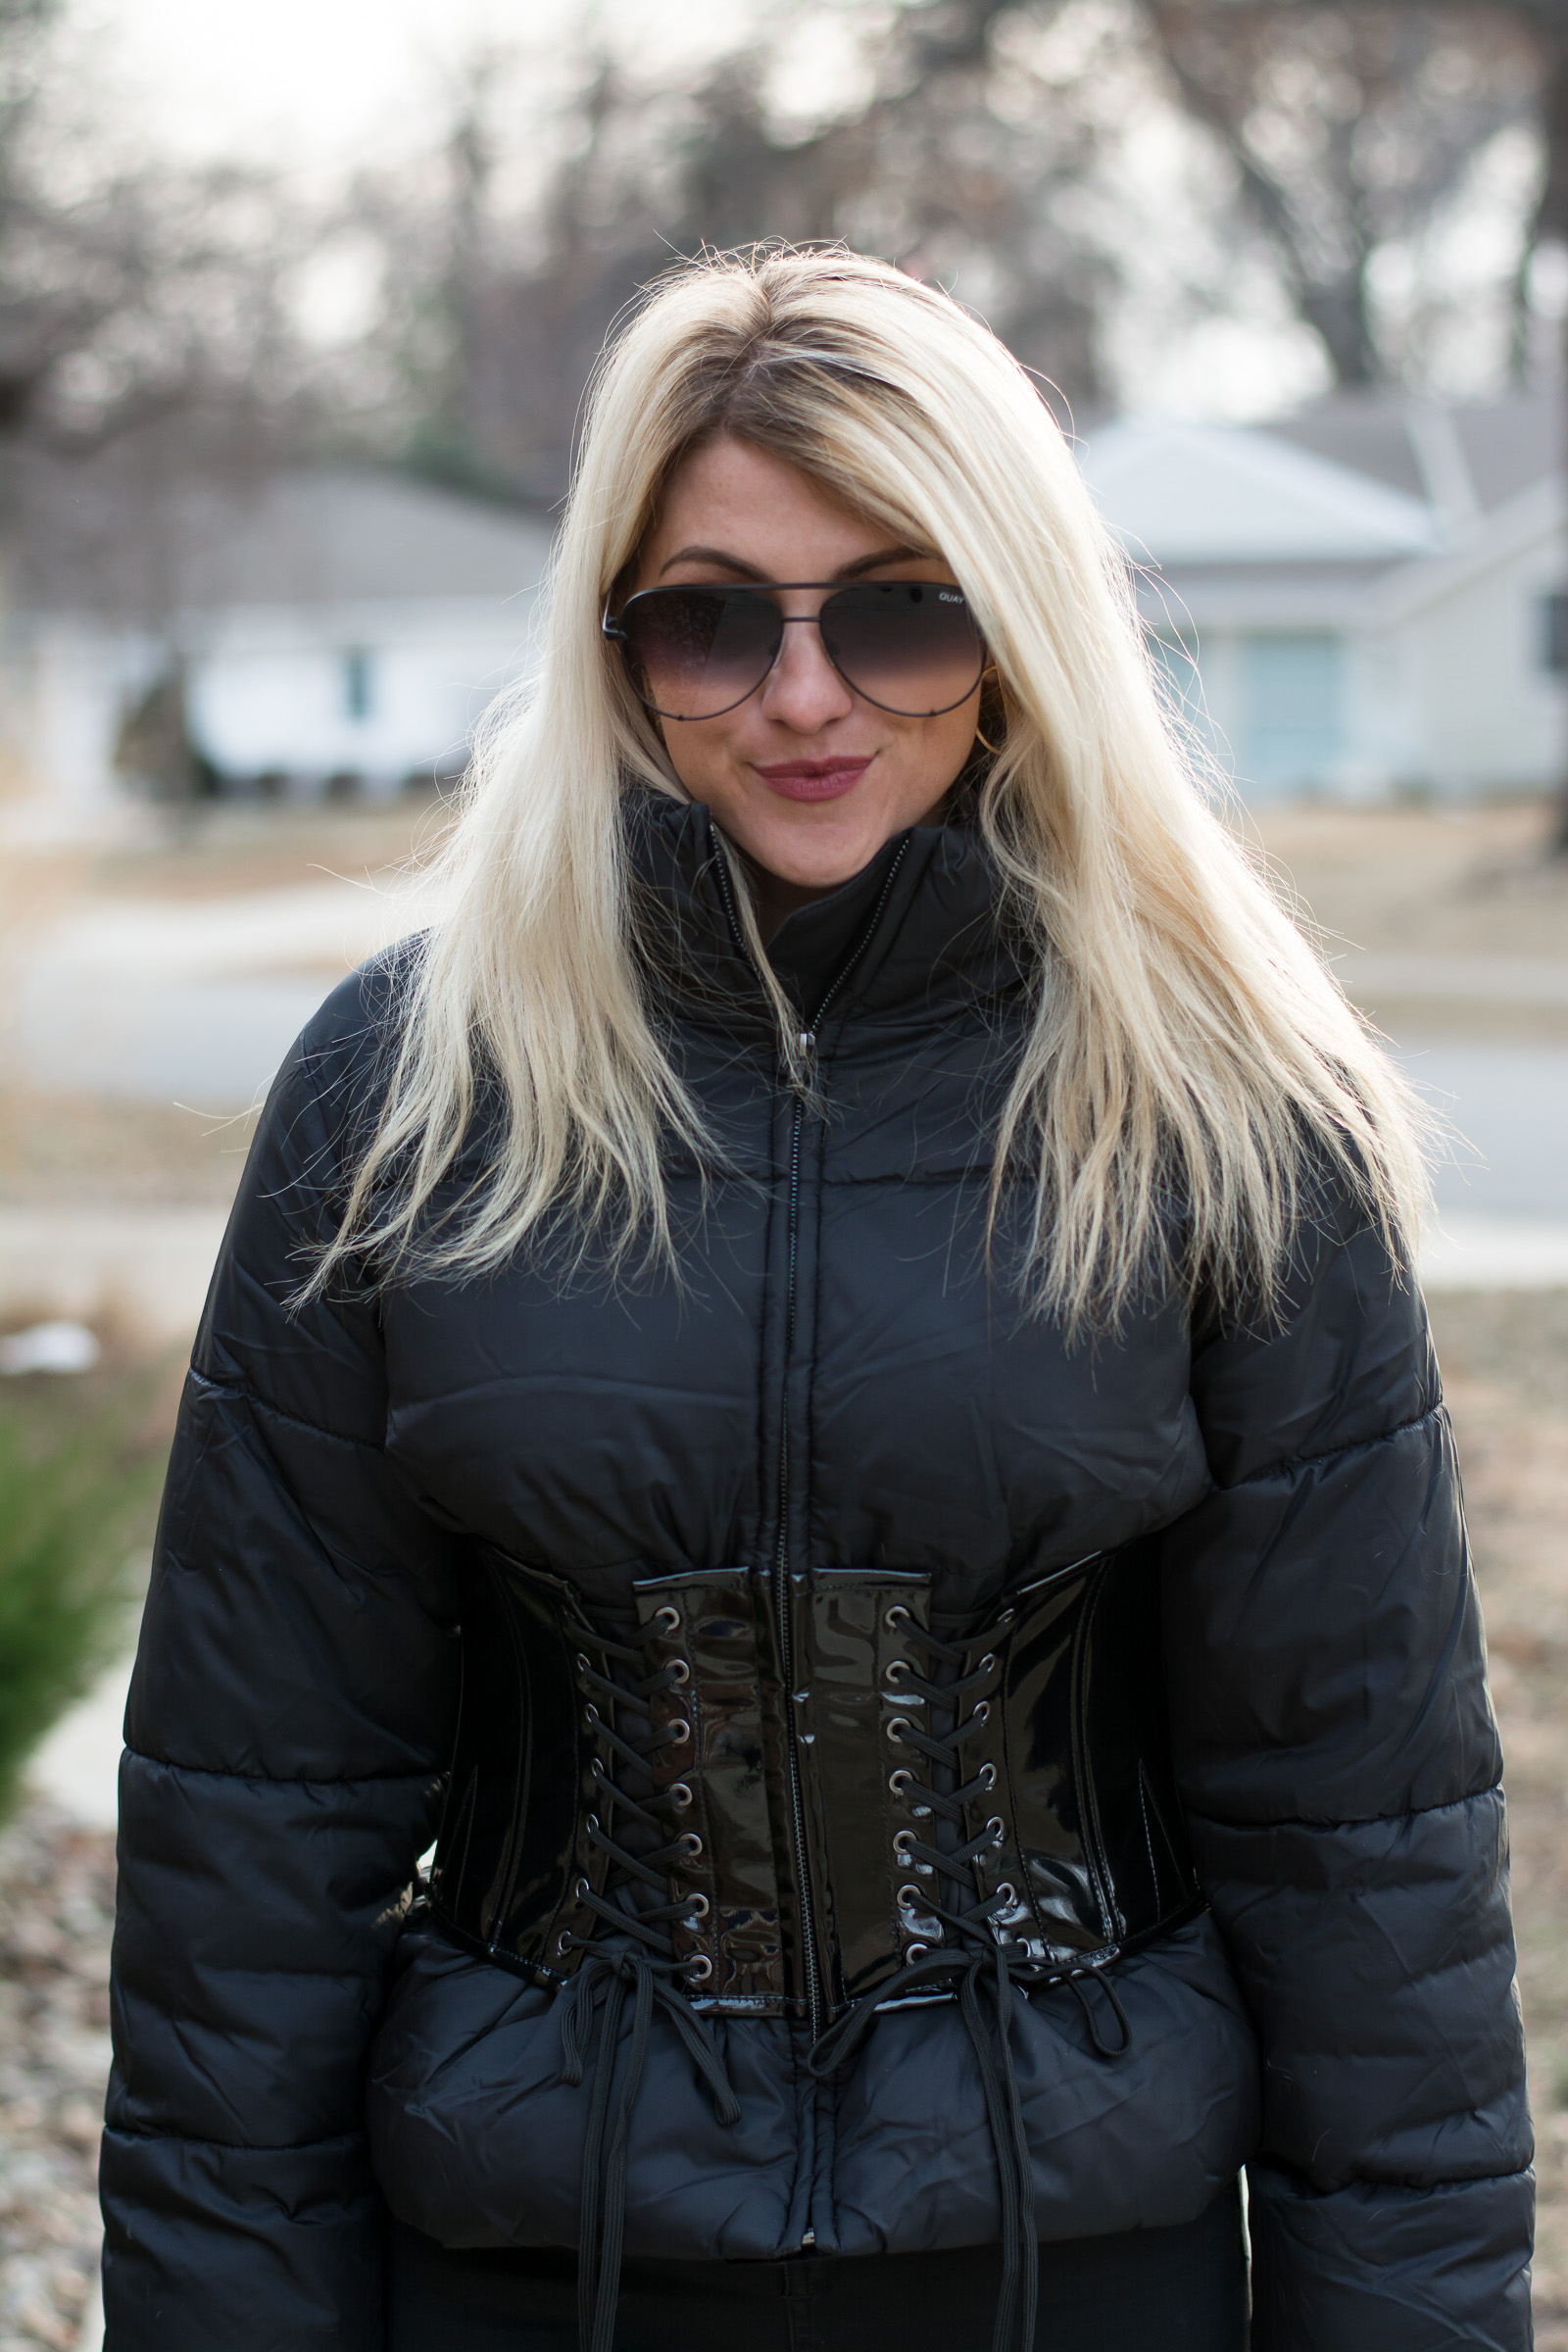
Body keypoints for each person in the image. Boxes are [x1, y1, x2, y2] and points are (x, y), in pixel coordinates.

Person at [101, 247, 1532, 2352]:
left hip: (1077, 2277)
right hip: (522, 2271)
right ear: (612, 643)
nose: (801, 693)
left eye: (898, 604)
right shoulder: (407, 1092)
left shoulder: (1223, 1108)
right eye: (705, 616)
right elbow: (256, 1818)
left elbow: (1361, 1833)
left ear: (1021, 627)